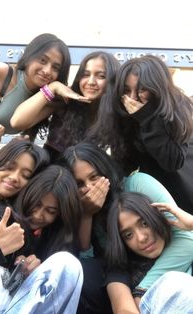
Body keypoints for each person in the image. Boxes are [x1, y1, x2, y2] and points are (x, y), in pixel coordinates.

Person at [61, 142, 193, 313]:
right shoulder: (91, 217)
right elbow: (92, 260)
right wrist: (87, 215)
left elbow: (185, 237)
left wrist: (143, 291)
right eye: (80, 184)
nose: (90, 187)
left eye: (94, 177)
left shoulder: (137, 184)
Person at [0, 164, 83, 312]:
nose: (38, 215)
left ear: (60, 215)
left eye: (50, 211)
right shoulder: (3, 219)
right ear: (28, 195)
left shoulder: (49, 237)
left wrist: (30, 275)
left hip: (13, 305)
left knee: (68, 264)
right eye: (36, 204)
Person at [87, 54, 193, 215]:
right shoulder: (124, 116)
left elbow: (173, 161)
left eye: (142, 89)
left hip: (184, 195)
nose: (133, 97)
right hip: (153, 201)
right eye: (127, 90)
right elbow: (124, 163)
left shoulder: (177, 107)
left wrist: (147, 118)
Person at [0, 33, 71, 171]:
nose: (47, 70)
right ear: (29, 56)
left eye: (56, 67)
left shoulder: (43, 100)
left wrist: (56, 88)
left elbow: (19, 124)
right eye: (42, 60)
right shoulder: (0, 72)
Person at [11, 51, 120, 161]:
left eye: (101, 76)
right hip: (53, 171)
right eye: (86, 75)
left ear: (112, 80)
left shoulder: (118, 112)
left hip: (93, 174)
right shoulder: (66, 100)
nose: (91, 82)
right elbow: (17, 122)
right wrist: (53, 87)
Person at [105, 191, 193, 314]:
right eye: (128, 235)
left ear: (156, 216)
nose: (141, 238)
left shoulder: (182, 246)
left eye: (144, 223)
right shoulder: (120, 271)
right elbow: (124, 309)